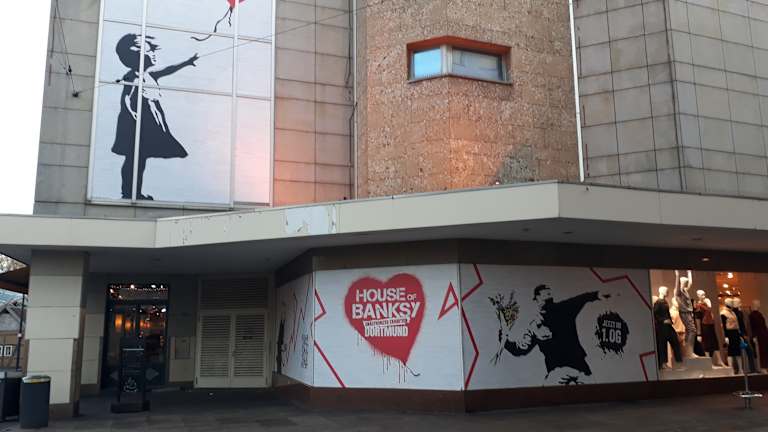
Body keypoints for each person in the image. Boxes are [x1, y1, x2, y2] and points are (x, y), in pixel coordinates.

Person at [113, 34, 198, 200]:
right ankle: (129, 193)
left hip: (150, 119)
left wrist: (187, 62)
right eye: (149, 51)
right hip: (138, 123)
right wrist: (132, 113)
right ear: (136, 55)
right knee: (134, 159)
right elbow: (126, 97)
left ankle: (134, 193)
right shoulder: (133, 76)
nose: (153, 54)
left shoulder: (149, 74)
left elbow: (168, 69)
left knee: (140, 159)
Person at [501, 284, 605, 382]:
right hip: (579, 367)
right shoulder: (564, 308)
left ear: (537, 299)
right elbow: (582, 298)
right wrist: (596, 295)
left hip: (558, 372)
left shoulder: (536, 324)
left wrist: (504, 340)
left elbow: (520, 350)